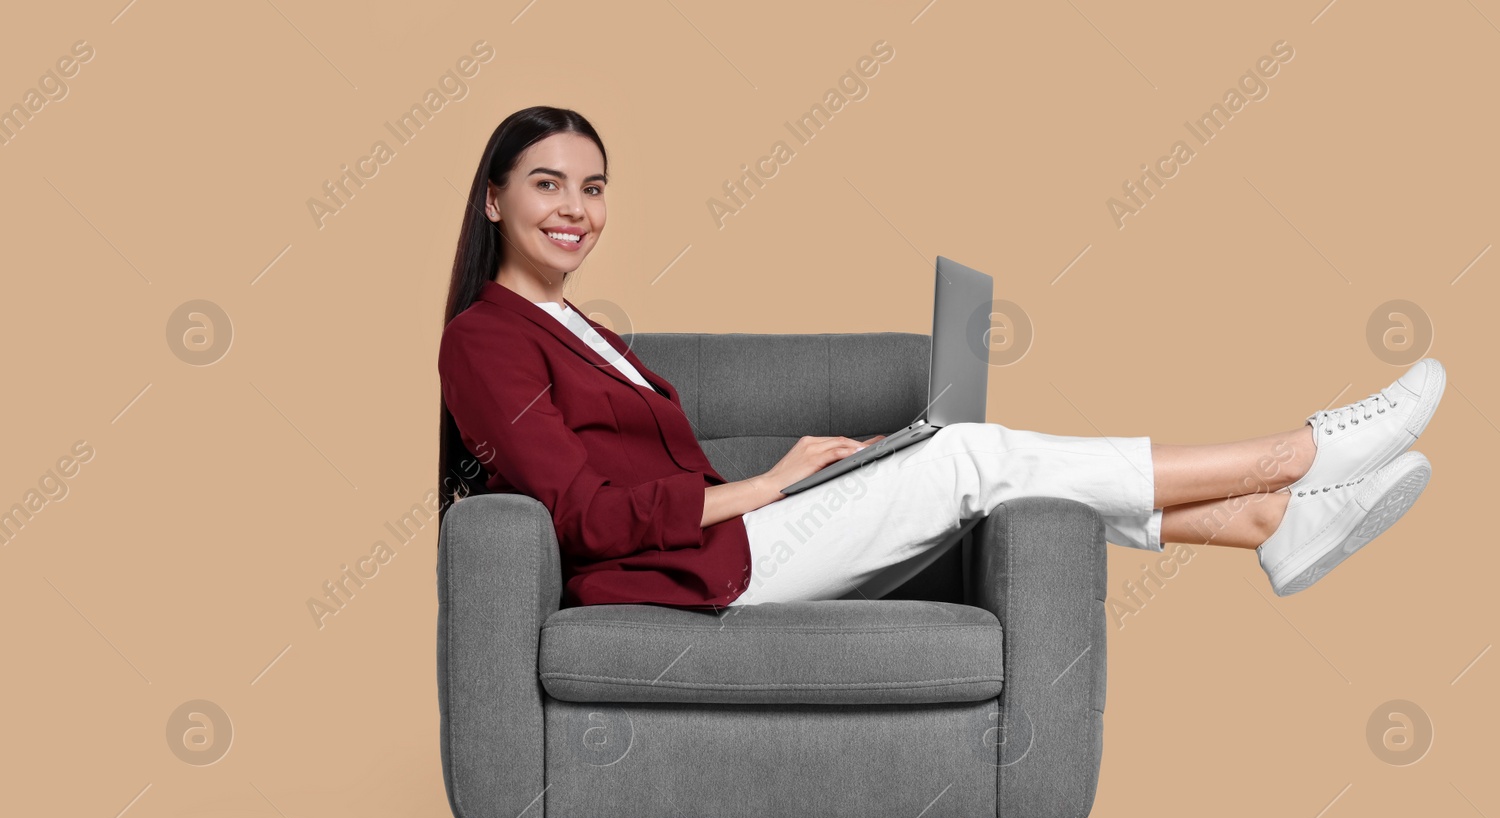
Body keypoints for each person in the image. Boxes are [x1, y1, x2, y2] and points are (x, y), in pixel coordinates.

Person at [438, 107, 1443, 610]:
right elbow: (579, 515)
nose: (576, 208)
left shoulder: (582, 330)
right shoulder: (484, 340)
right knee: (970, 458)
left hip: (747, 536)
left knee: (971, 469)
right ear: (495, 200)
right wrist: (763, 487)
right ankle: (1292, 456)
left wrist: (811, 481)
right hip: (707, 570)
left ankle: (1268, 524)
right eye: (548, 184)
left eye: (595, 187)